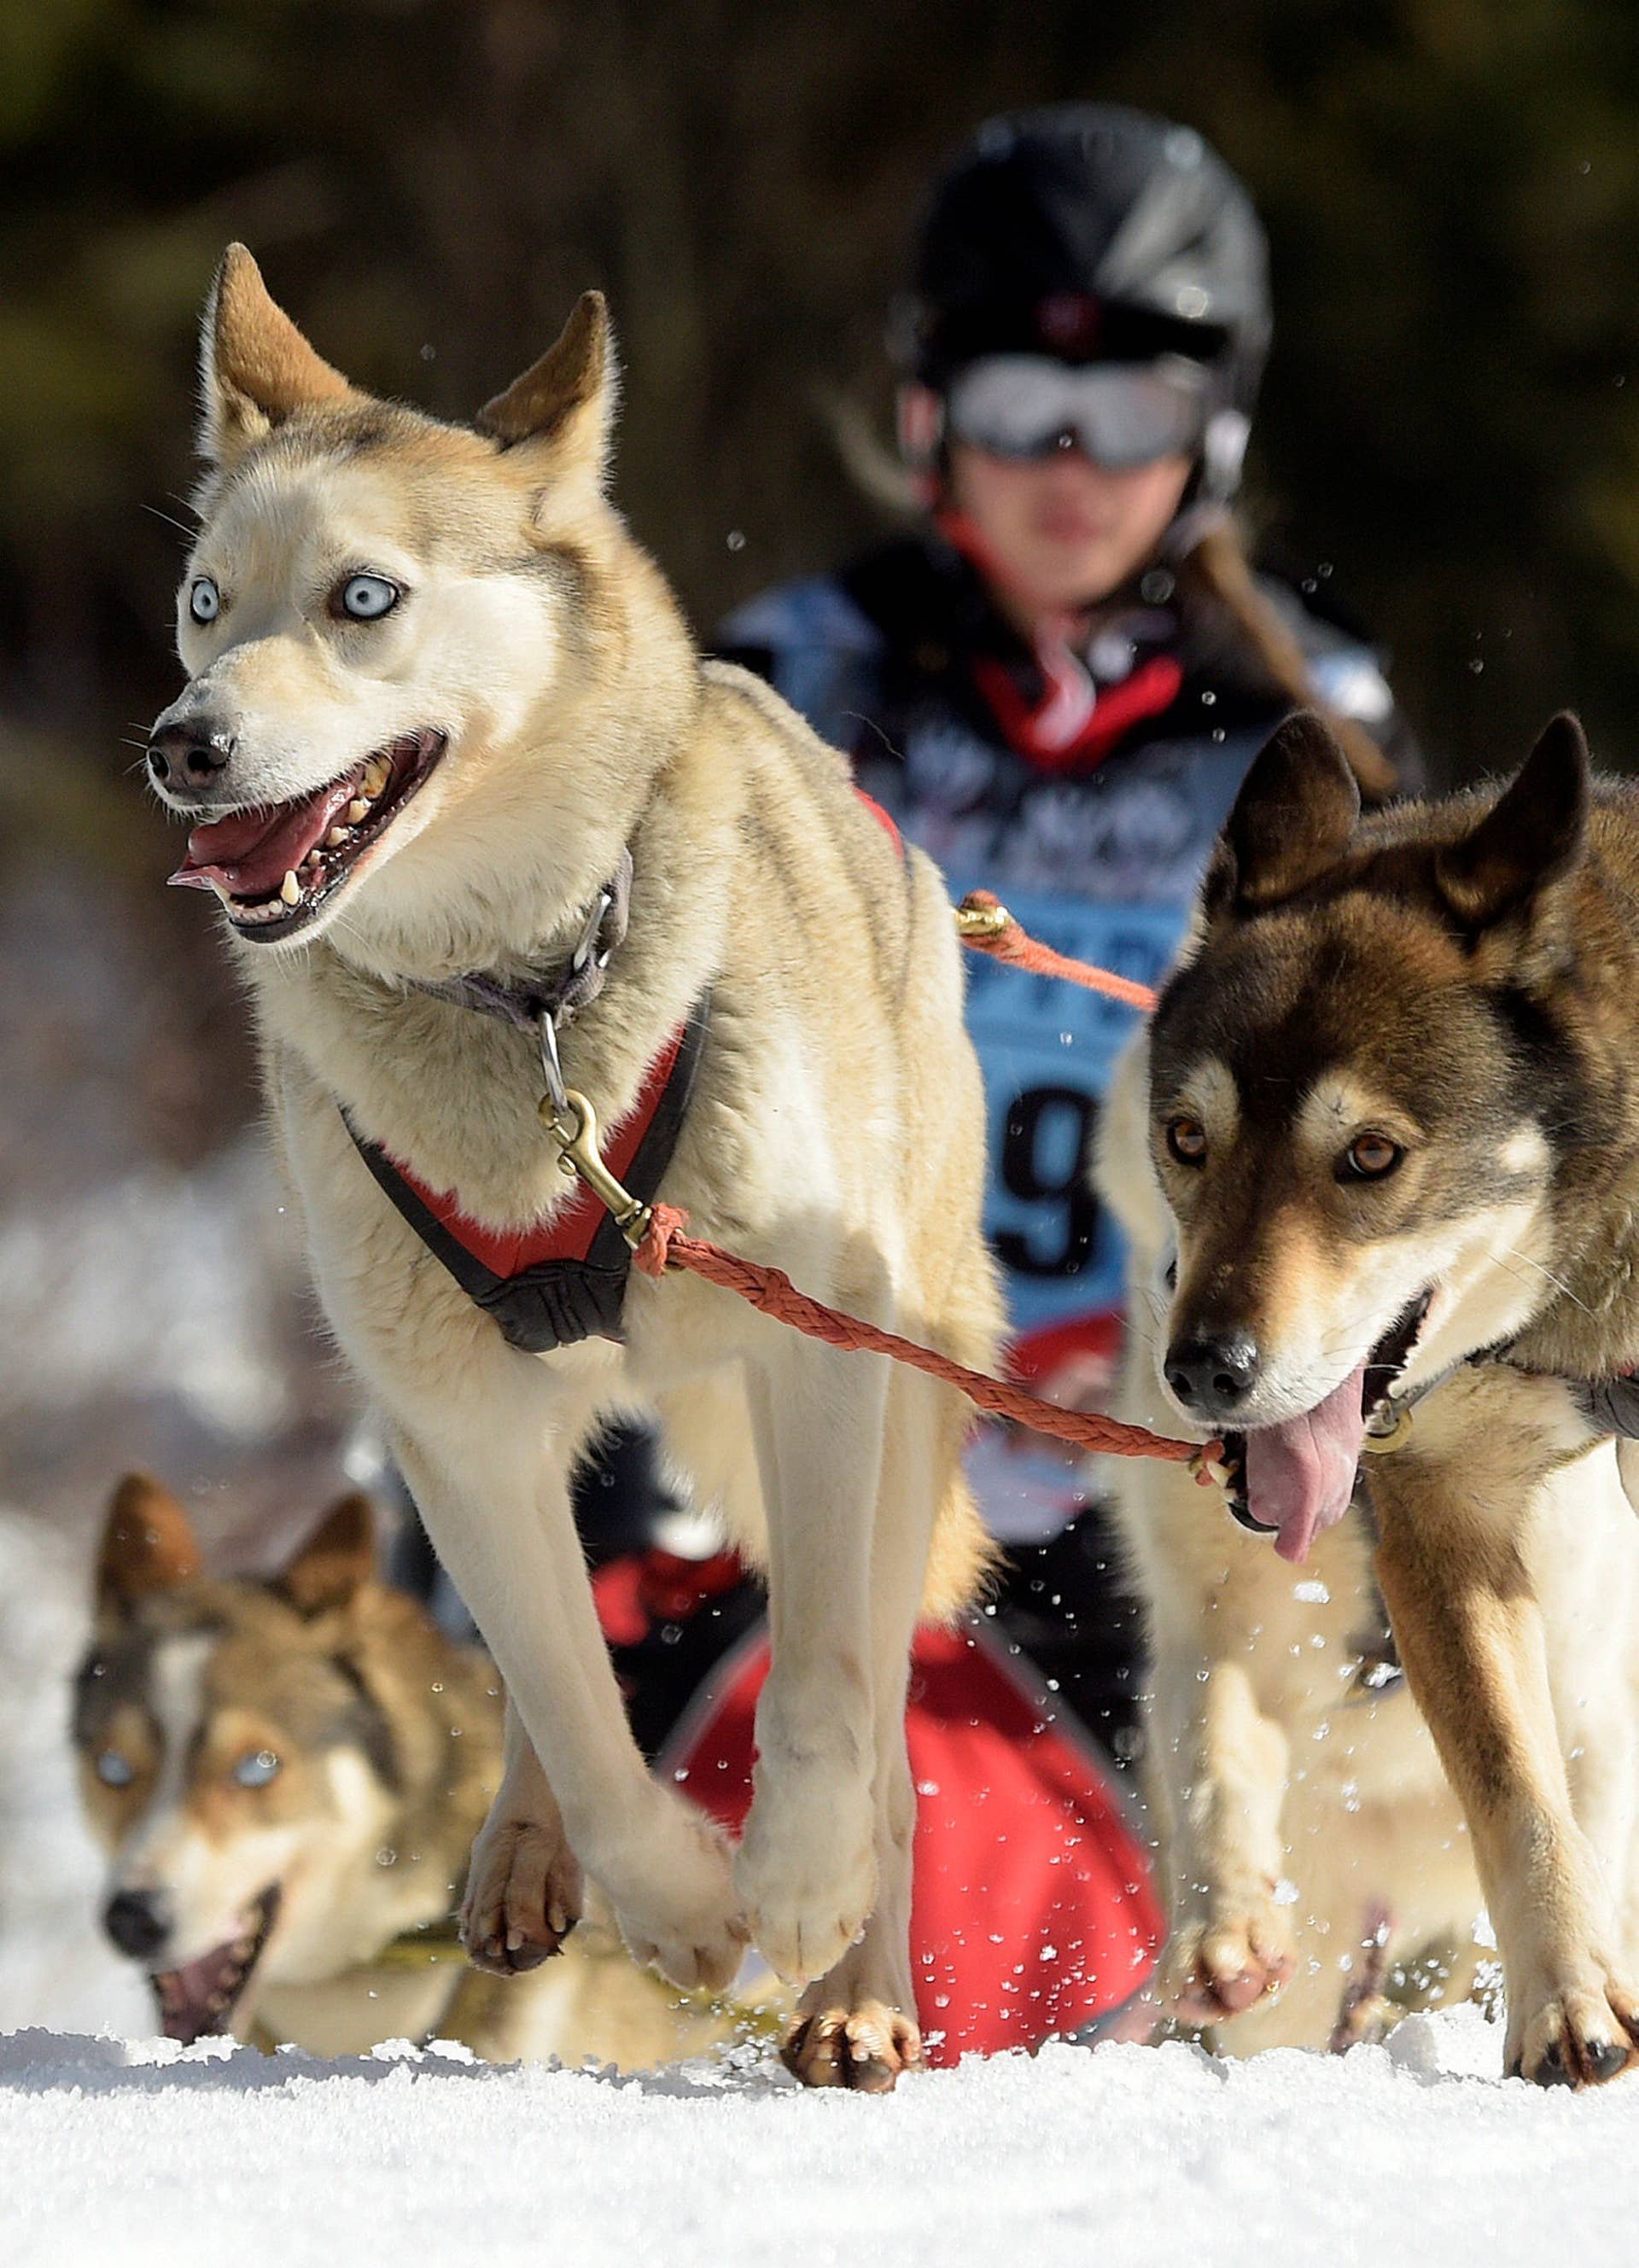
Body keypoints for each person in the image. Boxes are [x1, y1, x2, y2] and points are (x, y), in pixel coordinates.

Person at [718, 102, 1420, 1758]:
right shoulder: (786, 686)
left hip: (1166, 1460)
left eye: (1129, 410)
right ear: (928, 410)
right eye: (1019, 402)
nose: (1070, 467)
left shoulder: (1319, 727)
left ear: (1213, 432)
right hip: (816, 1449)